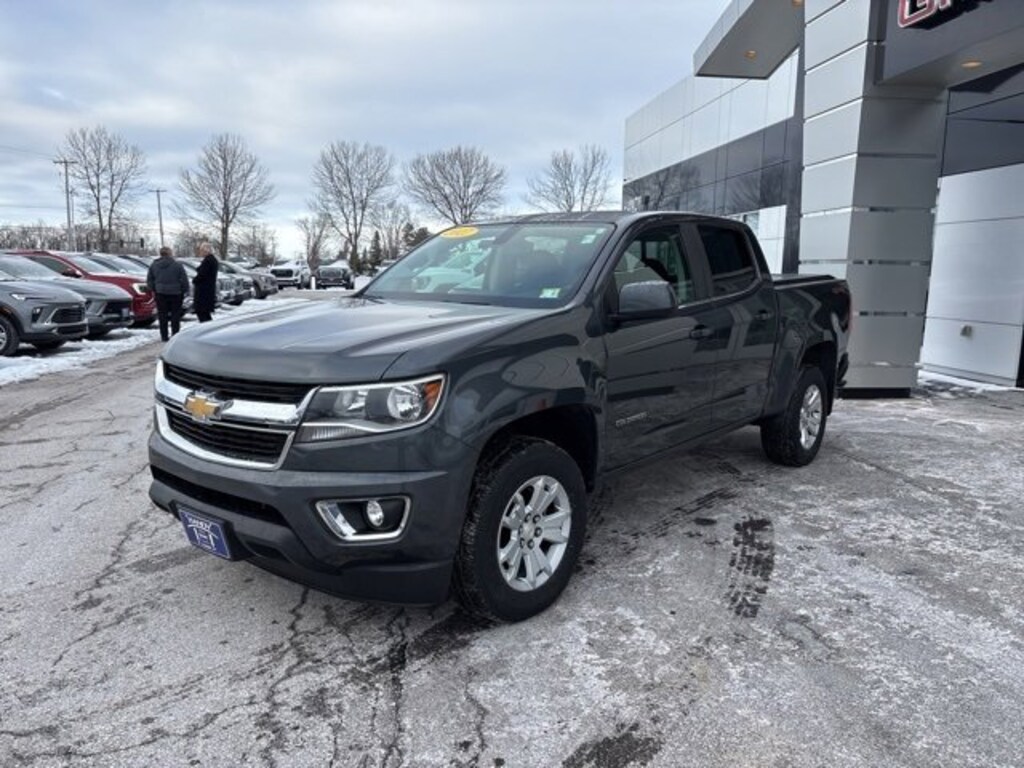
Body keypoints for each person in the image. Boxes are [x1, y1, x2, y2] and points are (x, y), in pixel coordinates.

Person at [146, 246, 190, 342]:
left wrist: (155, 289)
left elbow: (150, 280)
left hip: (160, 293)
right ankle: (175, 335)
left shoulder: (154, 265)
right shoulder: (177, 265)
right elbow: (184, 280)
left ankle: (164, 336)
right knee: (175, 315)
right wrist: (184, 291)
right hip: (176, 293)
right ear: (170, 253)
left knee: (162, 315)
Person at [192, 242, 219, 323]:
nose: (200, 252)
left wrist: (195, 280)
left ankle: (208, 331)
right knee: (205, 314)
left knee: (203, 314)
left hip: (204, 292)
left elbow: (202, 275)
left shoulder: (208, 261)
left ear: (206, 251)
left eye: (201, 250)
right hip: (208, 290)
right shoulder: (212, 260)